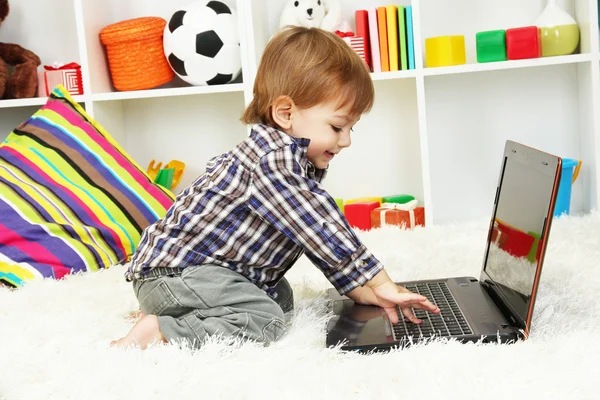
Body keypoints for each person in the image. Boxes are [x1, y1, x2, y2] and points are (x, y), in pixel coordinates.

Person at [110, 26, 440, 350]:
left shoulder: (289, 159)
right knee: (265, 318)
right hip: (176, 274)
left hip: (198, 274)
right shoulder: (272, 163)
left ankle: (180, 309)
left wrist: (358, 287)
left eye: (351, 128)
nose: (347, 140)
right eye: (338, 126)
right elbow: (321, 228)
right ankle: (162, 329)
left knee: (280, 295)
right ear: (285, 113)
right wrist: (379, 281)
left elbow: (310, 239)